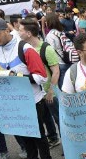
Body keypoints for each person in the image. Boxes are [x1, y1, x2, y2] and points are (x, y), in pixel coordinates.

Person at [0, 17, 56, 159]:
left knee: (39, 134)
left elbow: (42, 77)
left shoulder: (25, 49)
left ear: (6, 30)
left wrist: (15, 76)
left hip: (32, 99)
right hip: (13, 101)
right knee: (24, 133)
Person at [19, 18, 62, 148]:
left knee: (58, 118)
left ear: (28, 33)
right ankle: (53, 138)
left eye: (20, 30)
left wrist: (51, 91)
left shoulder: (46, 48)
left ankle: (68, 145)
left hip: (50, 92)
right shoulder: (25, 49)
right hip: (38, 93)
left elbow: (56, 72)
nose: (18, 32)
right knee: (45, 118)